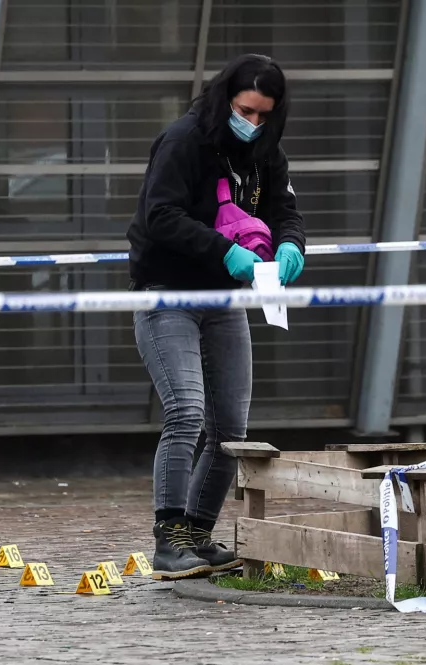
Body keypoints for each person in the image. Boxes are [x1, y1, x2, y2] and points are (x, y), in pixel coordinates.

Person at [126, 54, 307, 580]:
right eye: (244, 110)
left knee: (231, 427)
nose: (251, 123)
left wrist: (292, 246)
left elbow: (285, 212)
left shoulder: (267, 152)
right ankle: (169, 537)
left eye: (263, 115)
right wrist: (223, 252)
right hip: (168, 293)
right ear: (224, 98)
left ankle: (200, 535)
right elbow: (159, 216)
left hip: (225, 300)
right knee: (184, 412)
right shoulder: (184, 141)